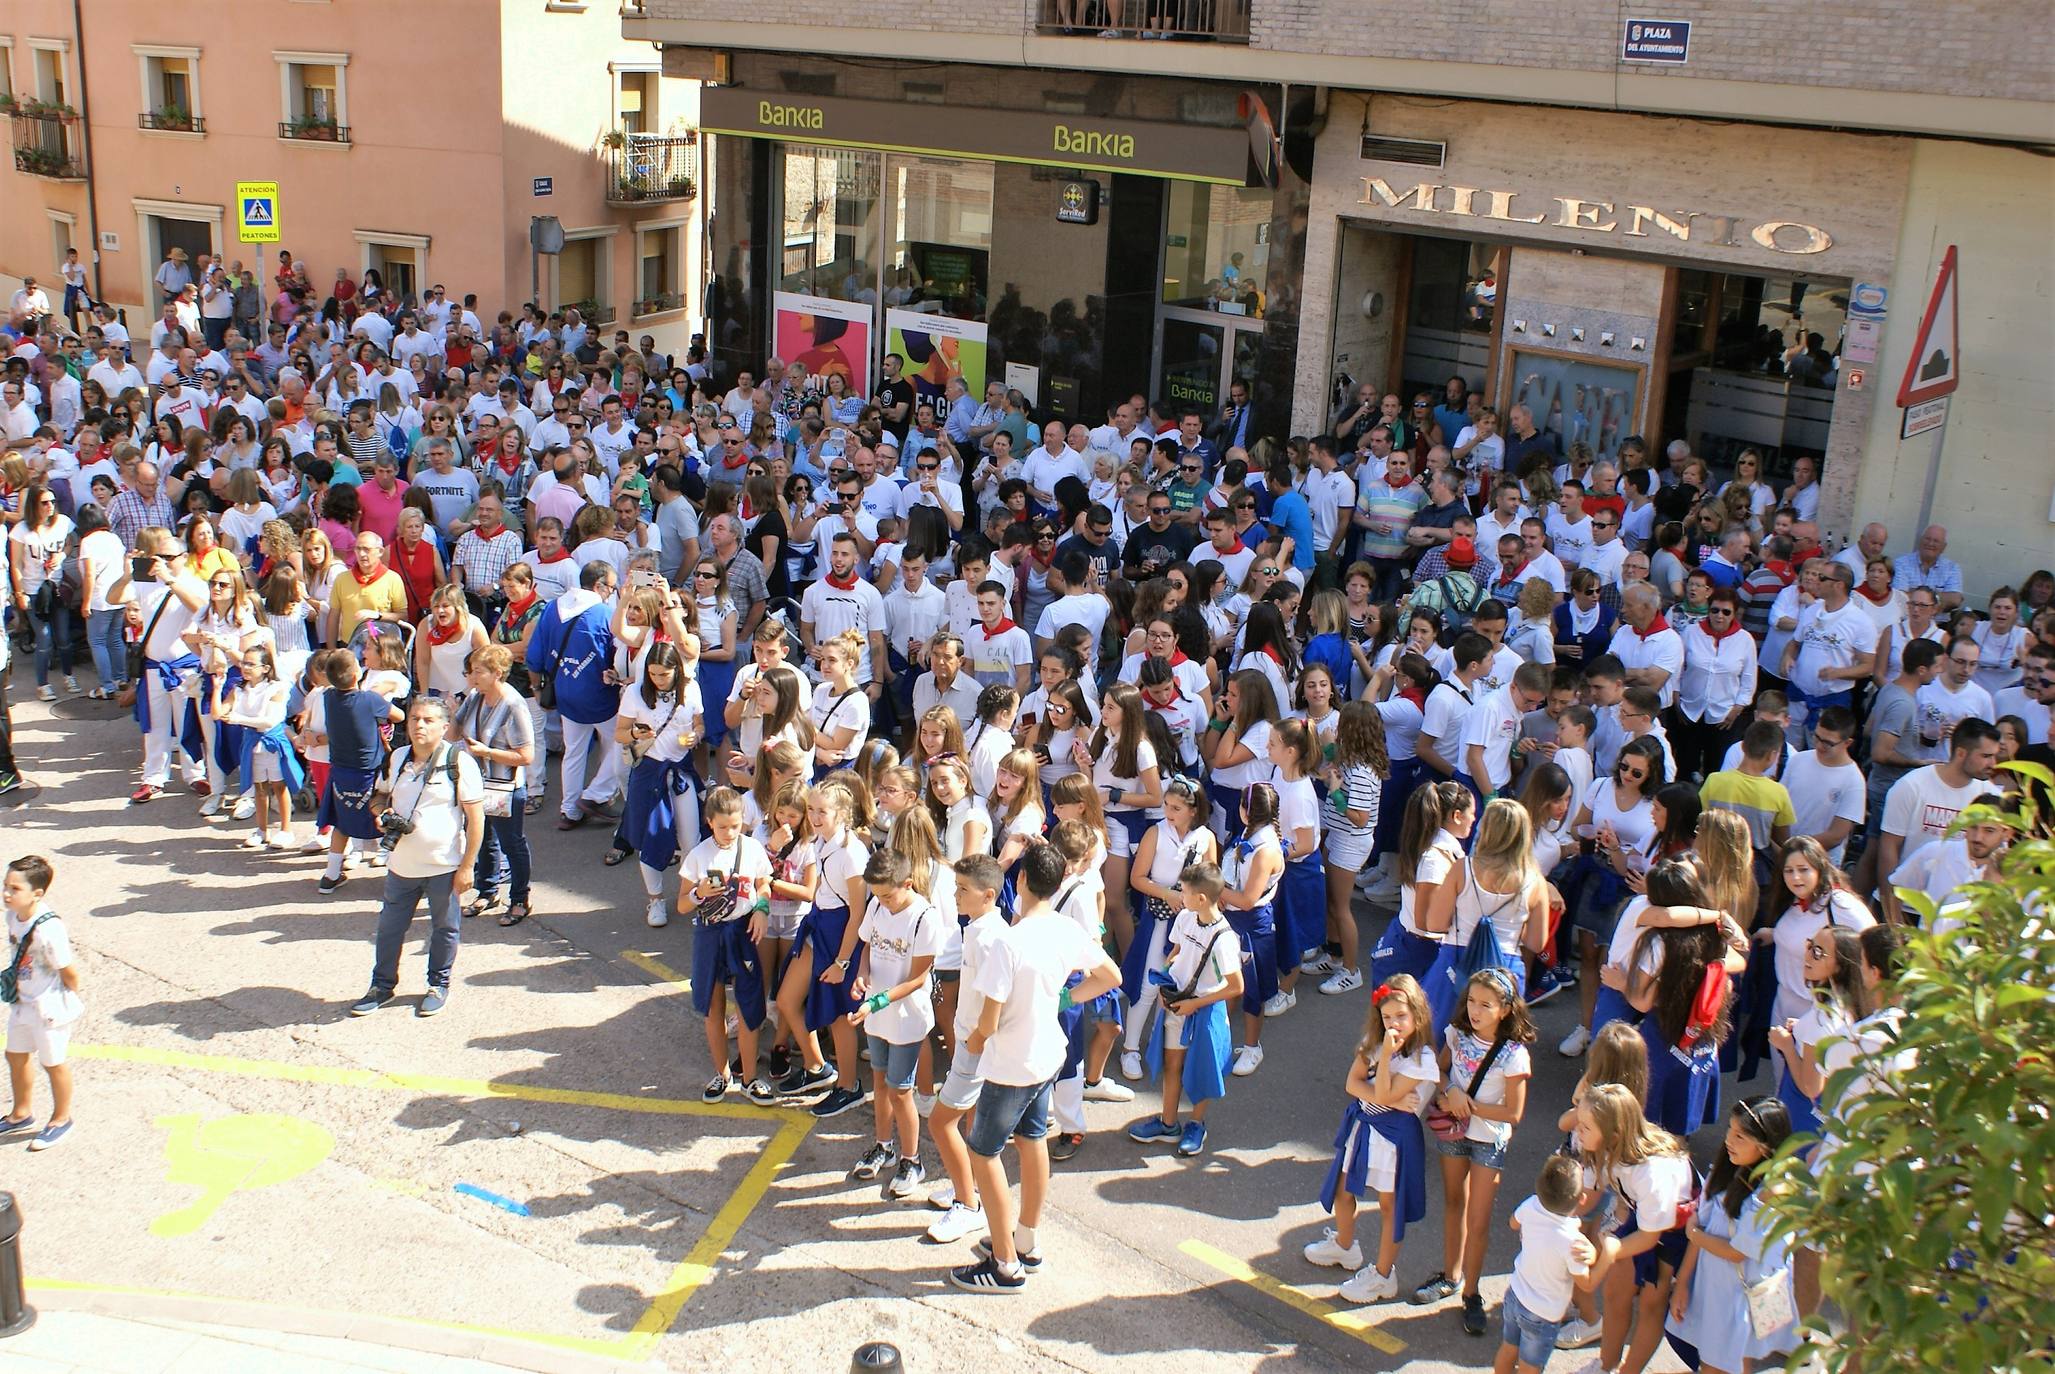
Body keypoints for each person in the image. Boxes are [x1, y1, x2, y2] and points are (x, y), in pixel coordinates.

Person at [947, 841, 1120, 1294]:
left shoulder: (1009, 940)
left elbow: (989, 1016)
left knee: (983, 1155)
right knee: (1032, 1141)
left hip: (1010, 1065)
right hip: (1048, 1055)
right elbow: (1110, 977)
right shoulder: (1066, 930)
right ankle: (1026, 1240)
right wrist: (1067, 996)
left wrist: (974, 1040)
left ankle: (1004, 1264)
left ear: (1020, 881)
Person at [1414, 968, 1537, 1334]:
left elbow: (1514, 1113)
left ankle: (1471, 1292)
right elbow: (1438, 1072)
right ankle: (1450, 1276)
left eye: (1486, 1004)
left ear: (1505, 1010)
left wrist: (1466, 1104)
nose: (1475, 1011)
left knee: (1479, 1220)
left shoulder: (1514, 1055)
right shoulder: (1456, 1034)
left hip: (1488, 1140)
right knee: (1454, 1202)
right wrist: (1446, 1091)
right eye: (1471, 1001)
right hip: (1454, 1132)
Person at [348, 697, 486, 1019]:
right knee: (389, 929)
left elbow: (476, 819)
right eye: (414, 719)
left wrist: (467, 867)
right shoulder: (396, 758)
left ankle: (438, 984)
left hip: (444, 865)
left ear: (444, 727)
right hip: (401, 866)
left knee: (444, 928)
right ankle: (381, 986)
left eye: (427, 720)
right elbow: (379, 795)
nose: (419, 725)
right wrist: (381, 814)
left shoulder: (460, 762)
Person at [1308, 974, 1435, 1304]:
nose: (1394, 1023)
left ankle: (1382, 1275)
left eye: (1401, 1016)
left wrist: (1386, 1066)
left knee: (1389, 1205)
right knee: (1342, 1187)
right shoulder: (1374, 1042)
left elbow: (1379, 1090)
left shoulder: (1423, 1059)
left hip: (1395, 1137)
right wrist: (1391, 1097)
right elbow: (1353, 1084)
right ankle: (1345, 1246)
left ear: (1417, 1016)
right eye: (1387, 1016)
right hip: (1365, 1125)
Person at [1664, 1098, 1799, 1373]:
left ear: (1766, 1147)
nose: (1729, 1140)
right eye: (1729, 1129)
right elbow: (1701, 1225)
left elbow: (1735, 1249)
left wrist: (1695, 1235)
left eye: (1740, 1136)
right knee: (1733, 1364)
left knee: (1718, 1365)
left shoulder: (1771, 1194)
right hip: (1711, 1289)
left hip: (1737, 1300)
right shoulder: (1723, 1171)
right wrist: (1682, 1284)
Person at [1125, 859, 1242, 1156]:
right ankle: (1168, 1123)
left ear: (1201, 898)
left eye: (1184, 891)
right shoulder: (1186, 918)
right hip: (1177, 1002)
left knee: (1203, 1069)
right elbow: (1175, 952)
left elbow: (1235, 986)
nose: (1180, 894)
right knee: (1171, 1063)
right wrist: (1165, 980)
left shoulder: (1225, 939)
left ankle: (1196, 1124)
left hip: (1202, 1009)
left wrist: (1195, 1004)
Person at [846, 848, 942, 1196]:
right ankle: (883, 1146)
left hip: (906, 1019)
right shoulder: (876, 905)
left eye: (888, 895)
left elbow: (918, 979)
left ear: (908, 883)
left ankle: (912, 1159)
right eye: (877, 895)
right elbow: (868, 945)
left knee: (902, 1091)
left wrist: (877, 1001)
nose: (882, 901)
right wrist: (862, 973)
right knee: (880, 1083)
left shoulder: (925, 918)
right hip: (876, 1012)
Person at [677, 785, 774, 1104]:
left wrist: (761, 910)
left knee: (748, 1006)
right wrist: (699, 893)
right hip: (709, 934)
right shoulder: (698, 856)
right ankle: (722, 1074)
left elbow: (763, 884)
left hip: (743, 932)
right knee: (713, 1006)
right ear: (709, 822)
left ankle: (749, 1077)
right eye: (723, 827)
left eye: (735, 825)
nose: (730, 832)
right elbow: (681, 905)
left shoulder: (753, 849)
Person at [525, 560, 622, 831]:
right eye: (612, 588)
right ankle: (596, 795)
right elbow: (617, 657)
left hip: (565, 693)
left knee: (574, 751)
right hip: (600, 695)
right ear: (599, 585)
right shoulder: (604, 614)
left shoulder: (552, 608)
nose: (612, 593)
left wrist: (536, 689)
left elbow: (534, 657)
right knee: (623, 745)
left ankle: (569, 810)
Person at [1, 854, 84, 1152]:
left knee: (53, 1063)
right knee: (16, 1056)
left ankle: (61, 1119)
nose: (7, 894)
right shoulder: (12, 915)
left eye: (14, 889)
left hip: (49, 1008)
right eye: (5, 886)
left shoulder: (49, 928)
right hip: (23, 1002)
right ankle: (21, 1112)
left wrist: (69, 997)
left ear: (37, 893)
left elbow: (69, 971)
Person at [1493, 1155, 1604, 1374]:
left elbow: (1513, 1223)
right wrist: (1606, 1255)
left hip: (1515, 1295)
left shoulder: (1532, 1204)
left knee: (1508, 1350)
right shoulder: (1573, 1241)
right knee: (1529, 1367)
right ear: (1582, 1199)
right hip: (1543, 1314)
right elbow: (1587, 1284)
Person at [453, 644, 537, 927]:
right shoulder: (475, 697)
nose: (472, 677)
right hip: (477, 783)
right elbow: (454, 730)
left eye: (478, 672)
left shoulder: (514, 705)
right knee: (483, 836)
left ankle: (519, 898)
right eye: (472, 671)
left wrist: (487, 753)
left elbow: (526, 756)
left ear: (497, 673)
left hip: (505, 787)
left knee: (511, 842)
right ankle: (487, 891)